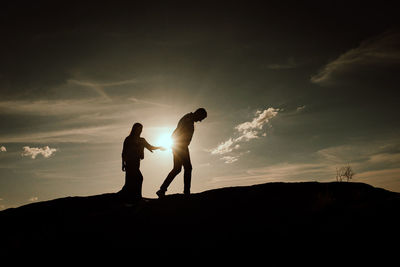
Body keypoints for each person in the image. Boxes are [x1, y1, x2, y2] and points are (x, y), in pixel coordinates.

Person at [156, 108, 207, 198]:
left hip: (179, 146)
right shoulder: (188, 119)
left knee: (177, 169)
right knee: (188, 168)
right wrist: (172, 144)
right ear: (198, 114)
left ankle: (162, 189)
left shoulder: (189, 118)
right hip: (181, 147)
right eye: (201, 118)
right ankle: (186, 192)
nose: (200, 120)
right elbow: (177, 131)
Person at [120, 123, 164, 203]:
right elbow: (124, 153)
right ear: (134, 129)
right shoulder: (128, 139)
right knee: (138, 179)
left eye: (141, 129)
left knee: (131, 182)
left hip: (137, 163)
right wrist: (123, 164)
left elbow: (150, 147)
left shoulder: (142, 140)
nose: (140, 130)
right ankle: (137, 198)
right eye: (138, 129)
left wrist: (159, 147)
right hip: (130, 163)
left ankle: (131, 198)